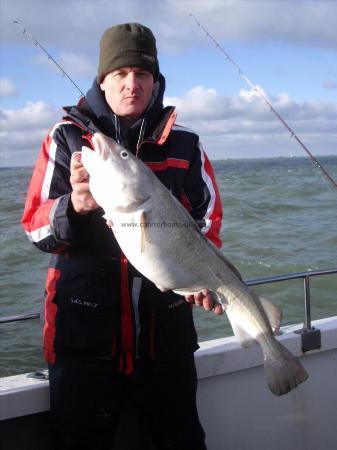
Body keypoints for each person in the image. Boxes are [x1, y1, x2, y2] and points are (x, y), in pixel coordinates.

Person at [22, 22, 223, 450]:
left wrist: (200, 275)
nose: (132, 84)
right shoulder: (66, 138)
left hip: (164, 337)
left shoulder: (185, 144)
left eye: (142, 74)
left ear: (155, 81)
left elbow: (208, 222)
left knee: (182, 441)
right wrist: (74, 207)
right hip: (83, 337)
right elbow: (36, 229)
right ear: (103, 80)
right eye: (120, 74)